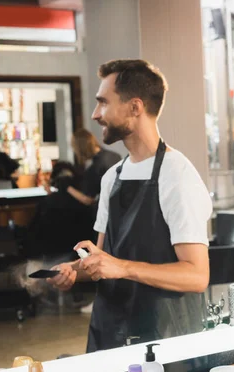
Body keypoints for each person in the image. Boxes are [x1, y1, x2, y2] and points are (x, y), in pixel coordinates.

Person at [47, 59, 212, 352]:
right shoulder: (114, 176)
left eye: (103, 103)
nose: (95, 114)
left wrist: (122, 267)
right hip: (108, 332)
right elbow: (103, 259)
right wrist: (75, 269)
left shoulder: (177, 174)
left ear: (135, 108)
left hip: (162, 339)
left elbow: (197, 276)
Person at [67, 128, 122, 207]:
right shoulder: (115, 155)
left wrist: (67, 187)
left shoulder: (94, 168)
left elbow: (87, 200)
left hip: (105, 211)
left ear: (80, 148)